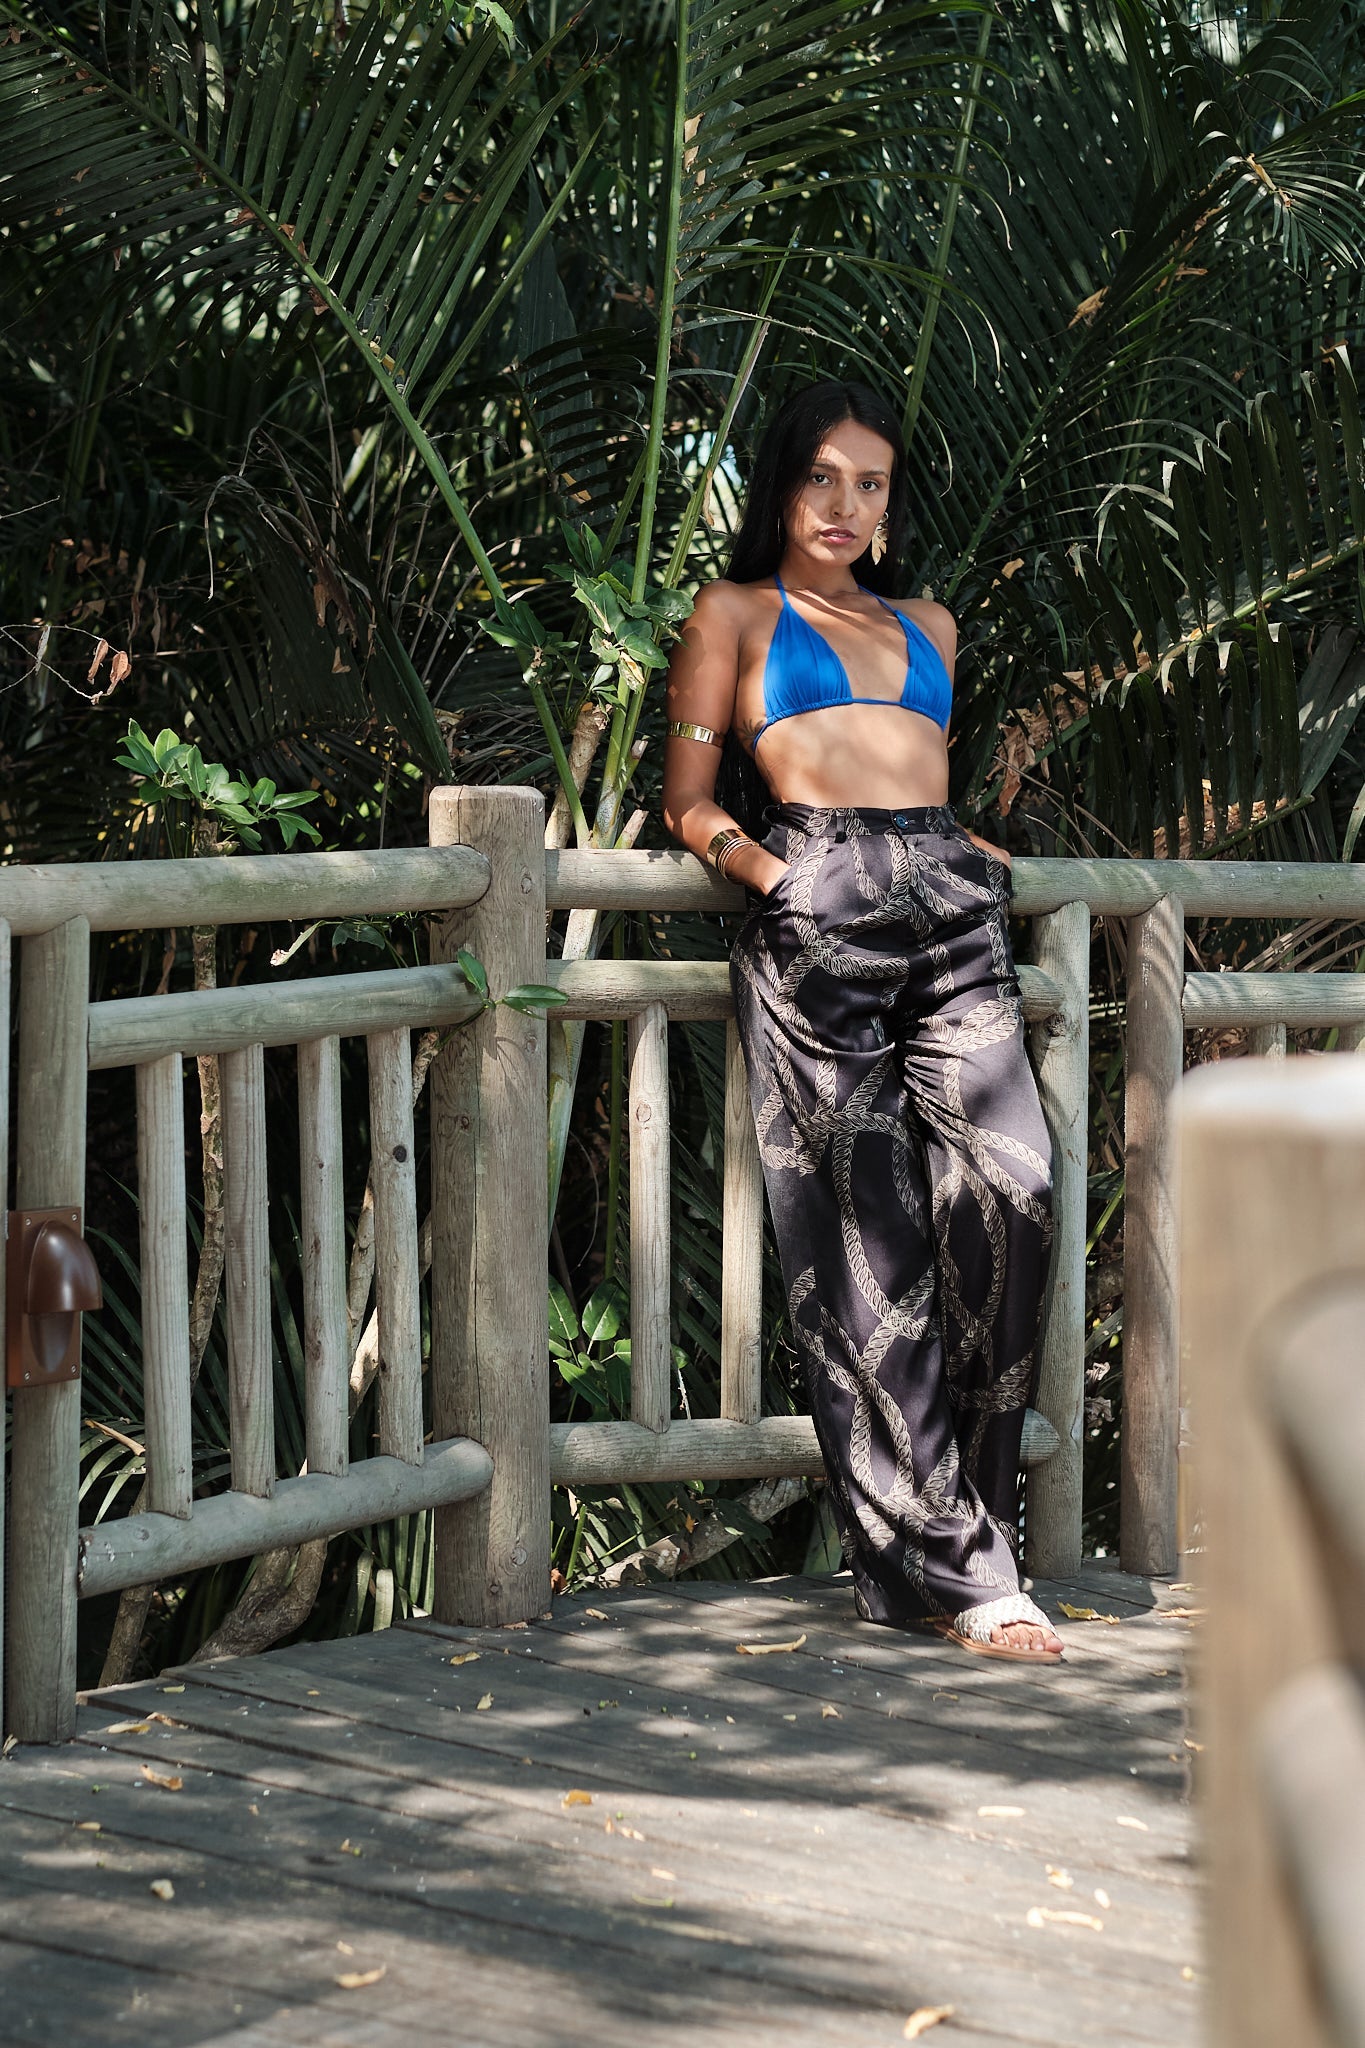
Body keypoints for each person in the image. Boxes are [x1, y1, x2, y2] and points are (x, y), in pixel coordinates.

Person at [662, 378, 1063, 1663]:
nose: (846, 505)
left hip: (949, 910)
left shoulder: (930, 620)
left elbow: (912, 775)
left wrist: (970, 856)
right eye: (824, 477)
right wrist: (774, 877)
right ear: (782, 483)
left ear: (892, 504)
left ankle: (956, 1541)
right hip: (812, 906)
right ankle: (965, 1574)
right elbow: (684, 799)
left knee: (1017, 1189)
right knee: (865, 1241)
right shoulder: (731, 612)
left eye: (871, 483)